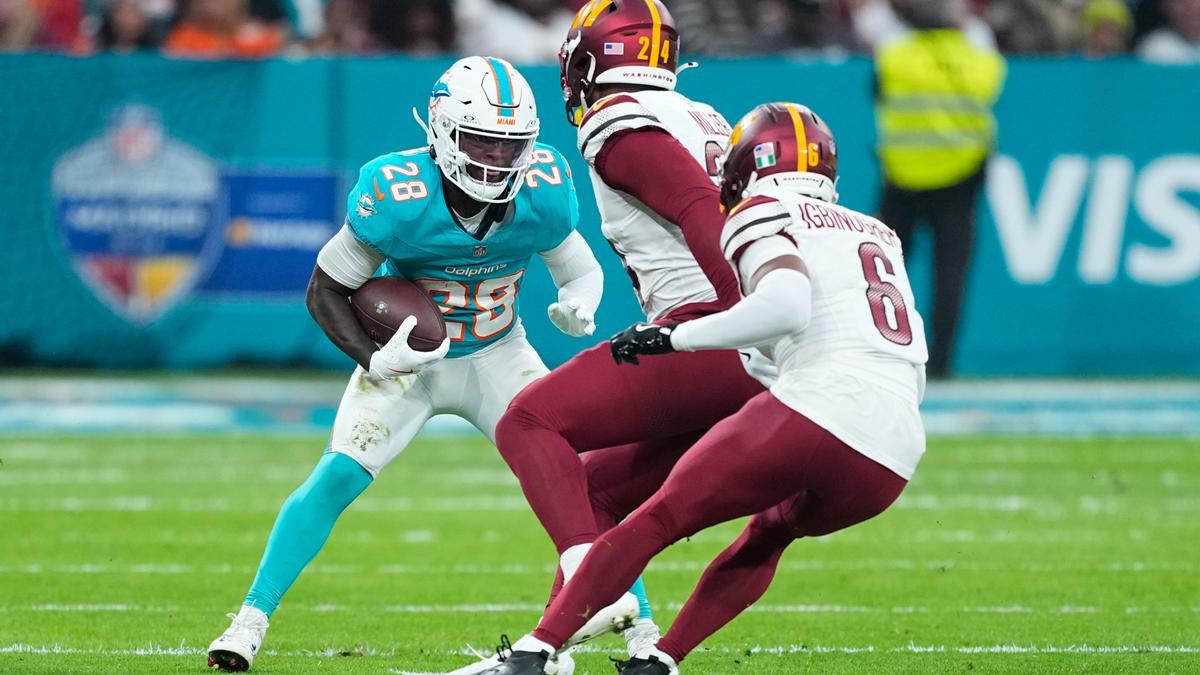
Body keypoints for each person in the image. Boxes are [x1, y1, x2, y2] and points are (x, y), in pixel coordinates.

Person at [476, 102, 928, 675]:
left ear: (745, 165)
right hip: (895, 451)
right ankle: (661, 659)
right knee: (769, 534)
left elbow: (786, 306)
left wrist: (675, 337)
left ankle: (534, 652)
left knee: (656, 520)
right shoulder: (878, 232)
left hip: (818, 409)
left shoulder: (763, 208)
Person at [205, 56, 610, 673]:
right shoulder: (398, 194)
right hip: (411, 365)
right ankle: (250, 619)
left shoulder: (543, 190)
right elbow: (325, 289)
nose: (499, 159)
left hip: (501, 353)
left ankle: (641, 632)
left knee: (576, 482)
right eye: (483, 141)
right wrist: (375, 357)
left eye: (511, 145)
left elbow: (578, 267)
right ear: (444, 132)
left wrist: (580, 301)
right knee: (337, 477)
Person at [452, 0, 770, 670]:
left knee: (529, 421)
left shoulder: (618, 117)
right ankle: (544, 650)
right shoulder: (703, 117)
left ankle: (585, 582)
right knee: (597, 488)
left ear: (592, 59)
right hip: (750, 338)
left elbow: (695, 208)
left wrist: (737, 313)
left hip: (716, 328)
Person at [872, 0, 1005, 377]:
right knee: (950, 273)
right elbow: (992, 89)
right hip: (959, 178)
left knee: (883, 270)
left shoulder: (895, 52)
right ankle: (942, 361)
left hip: (902, 176)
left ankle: (881, 351)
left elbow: (877, 91)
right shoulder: (978, 56)